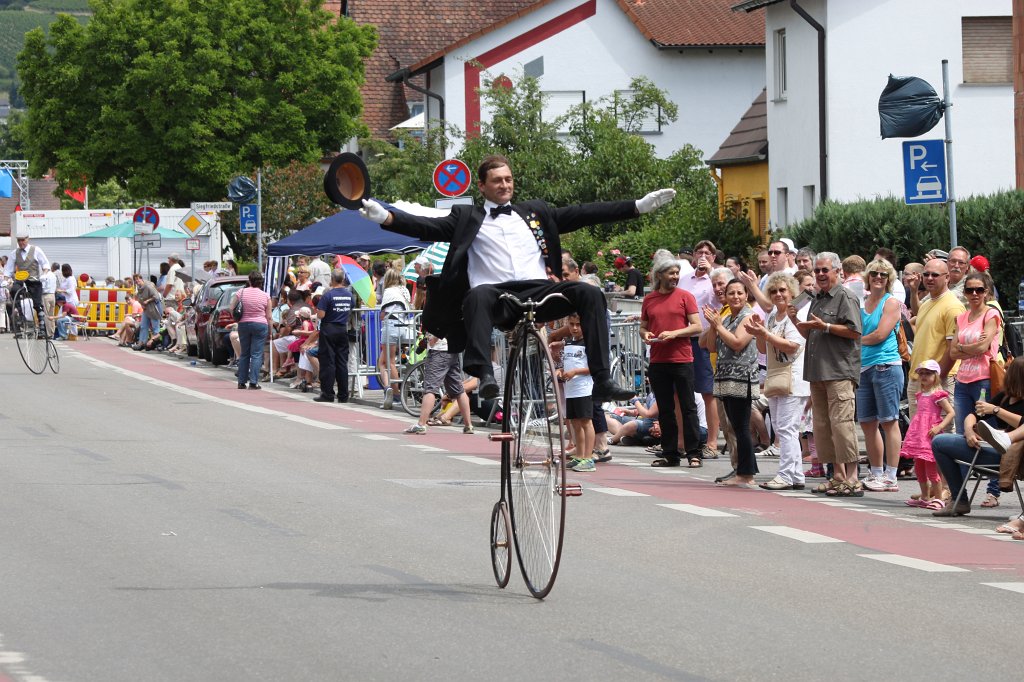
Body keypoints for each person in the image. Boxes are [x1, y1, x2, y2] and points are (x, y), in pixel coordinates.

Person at [363, 153, 676, 403]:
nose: (504, 185)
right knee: (477, 295)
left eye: (509, 179)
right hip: (497, 298)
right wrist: (386, 218)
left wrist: (637, 207)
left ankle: (603, 378)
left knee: (589, 293)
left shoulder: (535, 212)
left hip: (539, 292)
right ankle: (485, 374)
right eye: (497, 180)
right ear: (482, 186)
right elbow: (424, 227)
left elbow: (584, 212)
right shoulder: (466, 217)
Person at [794, 252, 863, 496]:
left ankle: (853, 478)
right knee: (822, 426)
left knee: (842, 424)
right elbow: (812, 334)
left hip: (839, 371)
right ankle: (837, 475)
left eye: (825, 270)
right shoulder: (817, 298)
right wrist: (797, 321)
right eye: (818, 270)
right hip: (817, 371)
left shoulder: (846, 296)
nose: (821, 274)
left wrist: (824, 326)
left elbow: (855, 331)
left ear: (837, 272)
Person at [932, 357, 1024, 517]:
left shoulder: (999, 405)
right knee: (940, 442)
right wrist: (969, 431)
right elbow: (973, 415)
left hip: (1016, 456)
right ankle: (959, 500)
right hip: (995, 451)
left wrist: (996, 411)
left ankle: (1005, 438)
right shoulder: (1004, 397)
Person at [747, 273, 809, 490]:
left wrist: (765, 333)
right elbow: (764, 349)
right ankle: (795, 474)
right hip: (777, 376)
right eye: (773, 291)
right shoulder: (773, 315)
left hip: (793, 377)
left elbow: (793, 345)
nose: (778, 295)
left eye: (782, 290)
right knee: (782, 427)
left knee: (786, 428)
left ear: (792, 292)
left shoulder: (796, 314)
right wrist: (758, 333)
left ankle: (785, 475)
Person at [640, 255, 703, 467]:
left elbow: (697, 326)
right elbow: (643, 326)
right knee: (665, 409)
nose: (675, 277)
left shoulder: (685, 296)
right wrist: (645, 334)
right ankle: (670, 453)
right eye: (671, 273)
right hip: (658, 360)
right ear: (660, 275)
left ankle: (694, 452)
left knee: (688, 407)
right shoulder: (650, 299)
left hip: (682, 358)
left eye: (677, 273)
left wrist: (675, 333)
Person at [702, 279, 760, 486]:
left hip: (740, 377)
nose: (735, 297)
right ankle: (746, 469)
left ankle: (746, 474)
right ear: (725, 297)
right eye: (731, 293)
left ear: (746, 296)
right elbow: (711, 347)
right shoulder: (725, 319)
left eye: (739, 293)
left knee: (742, 426)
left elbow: (737, 343)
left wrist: (718, 326)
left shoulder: (748, 316)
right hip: (725, 376)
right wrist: (713, 326)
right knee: (735, 426)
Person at [857, 258, 905, 492]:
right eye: (874, 273)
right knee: (867, 423)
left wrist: (851, 341)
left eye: (883, 275)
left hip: (886, 366)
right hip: (863, 367)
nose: (878, 277)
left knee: (889, 421)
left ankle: (891, 475)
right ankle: (876, 472)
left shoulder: (891, 302)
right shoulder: (862, 302)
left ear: (889, 279)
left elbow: (879, 334)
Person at [679, 240, 722, 460]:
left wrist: (710, 272)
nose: (703, 256)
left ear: (714, 257)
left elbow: (721, 300)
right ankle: (681, 441)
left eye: (707, 253)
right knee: (681, 391)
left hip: (705, 340)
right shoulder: (685, 278)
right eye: (699, 252)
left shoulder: (716, 278)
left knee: (708, 392)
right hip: (683, 339)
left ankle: (712, 442)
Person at [950, 272, 1001, 433]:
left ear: (986, 292)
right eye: (970, 290)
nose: (974, 294)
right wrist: (975, 346)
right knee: (962, 430)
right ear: (964, 293)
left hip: (983, 380)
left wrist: (962, 347)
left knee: (987, 430)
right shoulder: (961, 318)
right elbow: (952, 352)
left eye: (979, 290)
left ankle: (991, 459)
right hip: (962, 381)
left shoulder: (991, 314)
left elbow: (983, 348)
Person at [901, 359, 954, 510]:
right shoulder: (920, 394)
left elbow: (951, 413)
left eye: (928, 373)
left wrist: (939, 426)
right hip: (919, 433)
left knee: (931, 468)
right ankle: (925, 497)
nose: (923, 376)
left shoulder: (938, 395)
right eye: (921, 373)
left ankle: (938, 498)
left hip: (929, 434)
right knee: (919, 467)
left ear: (936, 376)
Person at [557, 313, 597, 472]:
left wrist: (576, 372)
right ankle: (579, 455)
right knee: (575, 423)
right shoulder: (567, 342)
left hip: (584, 388)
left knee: (586, 422)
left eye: (578, 324)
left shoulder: (588, 342)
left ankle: (588, 458)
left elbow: (594, 368)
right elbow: (568, 364)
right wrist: (561, 371)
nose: (574, 328)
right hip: (570, 389)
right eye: (571, 324)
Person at [314, 269, 355, 403]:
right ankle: (343, 395)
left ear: (332, 279)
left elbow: (321, 315)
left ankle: (328, 394)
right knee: (342, 362)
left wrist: (318, 311)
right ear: (343, 279)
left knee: (328, 362)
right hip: (342, 329)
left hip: (328, 329)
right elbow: (351, 309)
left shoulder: (328, 295)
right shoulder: (349, 295)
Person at [230, 270, 272, 390]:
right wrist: (269, 331)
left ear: (249, 280)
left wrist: (237, 319)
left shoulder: (241, 292)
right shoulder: (265, 295)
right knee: (257, 354)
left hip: (244, 324)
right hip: (260, 325)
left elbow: (232, 307)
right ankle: (254, 382)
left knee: (244, 353)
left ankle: (241, 381)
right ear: (261, 282)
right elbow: (269, 316)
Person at [377, 267, 411, 409]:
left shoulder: (388, 291)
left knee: (387, 362)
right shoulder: (405, 291)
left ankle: (394, 392)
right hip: (404, 326)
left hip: (390, 325)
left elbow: (383, 313)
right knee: (385, 361)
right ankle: (390, 390)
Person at [4, 231, 50, 325]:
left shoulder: (36, 250)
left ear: (28, 239)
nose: (21, 242)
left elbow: (45, 264)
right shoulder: (14, 253)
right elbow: (8, 269)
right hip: (20, 279)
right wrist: (5, 280)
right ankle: (21, 315)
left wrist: (44, 274)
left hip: (33, 279)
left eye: (23, 240)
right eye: (19, 240)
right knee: (14, 290)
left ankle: (41, 324)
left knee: (37, 302)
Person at [132, 273, 162, 349]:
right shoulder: (139, 288)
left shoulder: (148, 286)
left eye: (138, 279)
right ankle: (141, 343)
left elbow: (156, 296)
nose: (137, 281)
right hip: (146, 309)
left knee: (155, 327)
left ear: (141, 279)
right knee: (143, 326)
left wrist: (147, 301)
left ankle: (156, 343)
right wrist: (142, 304)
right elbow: (139, 298)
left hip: (153, 308)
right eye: (135, 280)